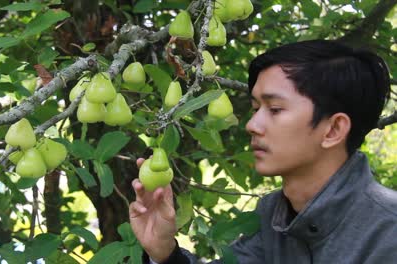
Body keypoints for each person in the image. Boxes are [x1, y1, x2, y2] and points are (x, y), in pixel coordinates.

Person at [129, 40, 397, 263]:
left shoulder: (388, 232)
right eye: (256, 108)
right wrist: (164, 253)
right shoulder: (271, 215)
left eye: (275, 109)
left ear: (333, 130)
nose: (252, 125)